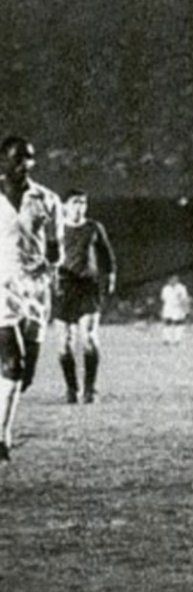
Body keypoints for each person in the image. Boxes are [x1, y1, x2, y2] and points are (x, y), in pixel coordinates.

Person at [0, 136, 61, 460]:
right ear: (3, 161)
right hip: (1, 287)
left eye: (29, 159)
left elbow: (55, 249)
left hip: (36, 292)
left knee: (24, 377)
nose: (25, 165)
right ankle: (2, 437)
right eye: (17, 159)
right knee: (13, 361)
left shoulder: (47, 199)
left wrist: (50, 265)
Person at [52, 190, 116, 404]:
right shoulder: (57, 228)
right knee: (64, 344)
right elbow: (46, 254)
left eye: (83, 202)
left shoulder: (94, 228)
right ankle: (72, 388)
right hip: (63, 288)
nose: (80, 206)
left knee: (88, 337)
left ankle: (90, 389)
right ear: (64, 206)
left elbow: (106, 256)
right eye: (75, 202)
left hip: (89, 287)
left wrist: (110, 278)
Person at [160, 275, 190, 345]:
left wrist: (186, 309)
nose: (172, 281)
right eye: (171, 279)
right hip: (168, 307)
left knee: (178, 324)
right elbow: (163, 298)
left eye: (174, 279)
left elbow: (184, 299)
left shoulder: (181, 288)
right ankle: (166, 339)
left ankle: (177, 340)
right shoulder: (165, 288)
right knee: (167, 323)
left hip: (178, 308)